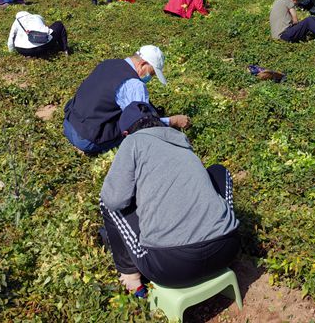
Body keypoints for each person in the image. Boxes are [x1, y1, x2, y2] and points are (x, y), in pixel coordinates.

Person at [99, 105, 239, 294]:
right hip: (227, 249)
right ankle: (222, 223)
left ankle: (131, 277)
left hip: (171, 267)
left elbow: (114, 200)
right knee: (218, 171)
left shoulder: (132, 142)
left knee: (108, 202)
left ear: (125, 133)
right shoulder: (180, 138)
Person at [62, 46, 191, 155]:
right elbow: (143, 126)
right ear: (143, 64)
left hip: (69, 122)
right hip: (86, 139)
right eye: (151, 74)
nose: (150, 78)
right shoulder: (134, 85)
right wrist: (173, 121)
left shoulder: (109, 63)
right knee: (135, 128)